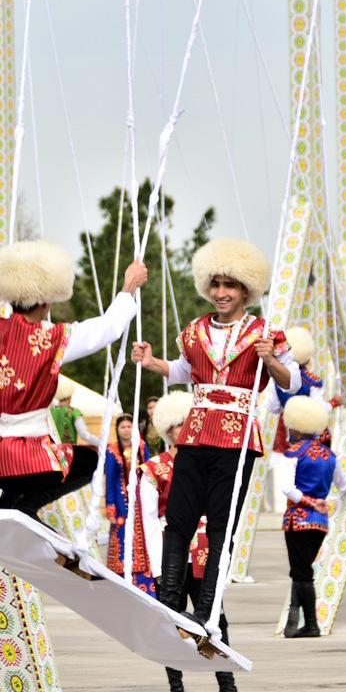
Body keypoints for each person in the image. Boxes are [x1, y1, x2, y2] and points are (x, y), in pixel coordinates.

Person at [131, 237, 301, 635]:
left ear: (246, 289)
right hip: (196, 433)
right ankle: (170, 602)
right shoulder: (194, 330)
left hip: (237, 438)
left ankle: (206, 610)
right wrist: (152, 362)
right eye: (216, 284)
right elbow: (183, 370)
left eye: (230, 285)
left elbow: (291, 383)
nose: (221, 292)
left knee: (221, 527)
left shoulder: (265, 333)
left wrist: (269, 359)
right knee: (178, 520)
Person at [0, 239, 147, 518]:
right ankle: (25, 507)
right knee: (92, 461)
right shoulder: (50, 339)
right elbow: (108, 328)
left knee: (36, 470)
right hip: (26, 461)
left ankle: (8, 503)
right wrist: (129, 286)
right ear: (47, 300)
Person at [139, 391, 260, 692]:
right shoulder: (153, 468)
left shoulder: (209, 463)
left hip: (205, 555)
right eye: (181, 424)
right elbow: (149, 522)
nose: (189, 429)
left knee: (216, 619)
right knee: (172, 622)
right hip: (173, 556)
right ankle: (177, 690)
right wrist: (158, 568)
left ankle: (227, 689)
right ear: (168, 430)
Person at [281, 395, 346, 637]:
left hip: (297, 520)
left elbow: (288, 488)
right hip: (320, 523)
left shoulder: (293, 453)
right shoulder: (330, 455)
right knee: (301, 570)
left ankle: (311, 625)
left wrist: (310, 502)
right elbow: (343, 485)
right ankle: (295, 619)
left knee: (302, 574)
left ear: (296, 427)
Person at [268, 325, 342, 452]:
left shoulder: (278, 381)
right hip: (316, 435)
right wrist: (334, 402)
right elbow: (320, 409)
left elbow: (274, 408)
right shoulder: (312, 380)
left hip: (293, 436)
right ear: (308, 357)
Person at [105, 414, 152, 593]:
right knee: (122, 535)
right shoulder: (112, 451)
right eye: (122, 427)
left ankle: (144, 578)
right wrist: (110, 507)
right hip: (121, 503)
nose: (126, 430)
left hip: (141, 500)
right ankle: (121, 576)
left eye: (129, 426)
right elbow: (110, 482)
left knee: (144, 536)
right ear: (117, 430)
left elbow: (148, 473)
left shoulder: (141, 446)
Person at [50, 375, 100, 446]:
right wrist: (99, 442)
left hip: (53, 448)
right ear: (70, 397)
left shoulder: (50, 411)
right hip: (69, 449)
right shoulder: (74, 412)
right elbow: (83, 434)